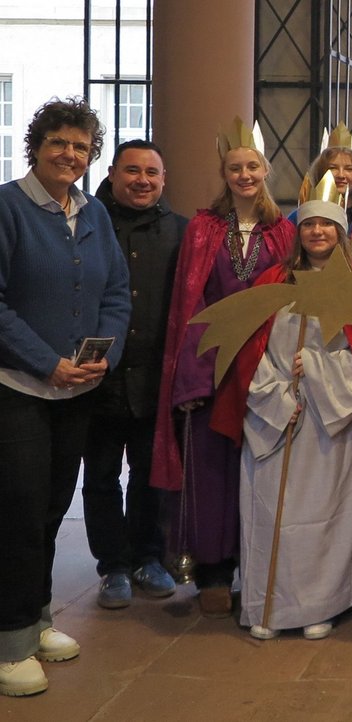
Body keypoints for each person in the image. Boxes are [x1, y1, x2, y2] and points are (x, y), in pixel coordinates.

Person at [210, 181, 352, 641]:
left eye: (326, 225)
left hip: (334, 420)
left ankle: (321, 604)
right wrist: (276, 396)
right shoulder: (273, 282)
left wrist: (315, 367)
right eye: (309, 224)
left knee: (327, 515)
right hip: (277, 415)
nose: (317, 232)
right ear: (299, 231)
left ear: (340, 232)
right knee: (270, 513)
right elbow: (246, 353)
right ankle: (267, 605)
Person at [0, 96, 129, 698]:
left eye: (81, 146)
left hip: (76, 391)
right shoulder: (7, 207)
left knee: (52, 508)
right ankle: (10, 642)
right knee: (18, 513)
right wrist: (45, 362)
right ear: (37, 146)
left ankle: (38, 617)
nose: (70, 154)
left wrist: (105, 355)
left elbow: (116, 292)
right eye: (59, 142)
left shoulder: (93, 212)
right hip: (19, 389)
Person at [151, 118, 293, 619]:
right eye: (235, 168)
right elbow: (188, 303)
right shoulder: (203, 229)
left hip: (267, 364)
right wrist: (191, 375)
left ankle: (256, 570)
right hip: (212, 365)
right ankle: (213, 571)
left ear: (265, 170)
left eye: (252, 166)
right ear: (224, 174)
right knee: (211, 472)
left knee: (261, 468)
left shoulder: (285, 231)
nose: (244, 175)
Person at [84, 139, 186, 610]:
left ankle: (148, 557)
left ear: (164, 179)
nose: (142, 180)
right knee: (101, 476)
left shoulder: (182, 232)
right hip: (96, 379)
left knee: (150, 474)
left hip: (156, 379)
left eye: (151, 172)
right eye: (132, 171)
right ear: (112, 174)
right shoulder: (86, 223)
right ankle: (113, 566)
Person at [293, 123, 352, 252]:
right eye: (332, 168)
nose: (341, 175)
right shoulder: (301, 215)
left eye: (349, 169)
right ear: (320, 172)